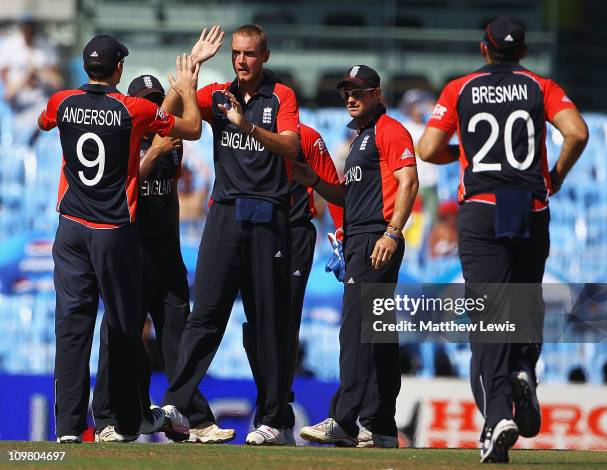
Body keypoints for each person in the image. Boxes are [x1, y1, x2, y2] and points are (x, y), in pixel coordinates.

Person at [418, 16, 588, 463]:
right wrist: (555, 175)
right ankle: (523, 366)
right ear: (524, 53)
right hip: (531, 206)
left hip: (482, 208)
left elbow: (428, 148)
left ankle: (497, 416)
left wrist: (465, 152)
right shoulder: (541, 86)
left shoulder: (459, 88)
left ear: (483, 49)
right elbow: (577, 133)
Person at [37, 34, 203, 443]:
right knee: (124, 326)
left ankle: (69, 429)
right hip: (112, 231)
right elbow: (194, 128)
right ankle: (125, 420)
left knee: (71, 330)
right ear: (119, 69)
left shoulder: (62, 101)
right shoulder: (131, 109)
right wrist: (185, 88)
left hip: (71, 226)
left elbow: (45, 121)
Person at [161, 25, 301, 445]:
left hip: (268, 215)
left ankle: (274, 420)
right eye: (237, 54)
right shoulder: (218, 93)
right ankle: (176, 404)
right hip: (224, 212)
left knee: (266, 323)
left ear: (266, 55)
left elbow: (291, 147)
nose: (242, 61)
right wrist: (192, 71)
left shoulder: (282, 96)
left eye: (251, 54)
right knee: (205, 313)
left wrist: (247, 126)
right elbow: (166, 118)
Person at [91, 74, 233, 444]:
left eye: (158, 100)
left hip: (166, 254)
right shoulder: (121, 139)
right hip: (130, 254)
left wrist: (187, 82)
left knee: (178, 338)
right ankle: (107, 418)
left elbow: (191, 124)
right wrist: (151, 154)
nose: (154, 108)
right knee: (119, 337)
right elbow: (117, 190)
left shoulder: (174, 141)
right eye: (147, 101)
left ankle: (196, 418)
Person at [297, 65, 419, 448]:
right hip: (361, 239)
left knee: (356, 331)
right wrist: (315, 181)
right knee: (378, 333)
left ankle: (345, 420)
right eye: (346, 91)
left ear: (377, 94)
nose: (350, 97)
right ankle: (381, 424)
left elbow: (409, 181)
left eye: (359, 92)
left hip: (376, 238)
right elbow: (350, 200)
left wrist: (392, 232)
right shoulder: (361, 138)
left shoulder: (389, 130)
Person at [248, 122, 343, 443]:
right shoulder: (245, 132)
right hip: (255, 230)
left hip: (295, 231)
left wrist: (342, 235)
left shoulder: (307, 137)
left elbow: (332, 185)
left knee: (284, 321)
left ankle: (276, 414)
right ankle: (270, 404)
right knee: (256, 322)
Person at [0, 16, 63, 143]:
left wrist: (38, 71)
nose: (28, 31)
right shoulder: (10, 46)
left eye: (31, 28)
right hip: (17, 109)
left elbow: (58, 82)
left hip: (40, 104)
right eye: (25, 28)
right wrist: (26, 76)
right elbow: (7, 94)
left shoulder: (45, 47)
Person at [399, 89, 439, 221]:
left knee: (432, 220)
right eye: (416, 105)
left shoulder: (429, 127)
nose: (419, 108)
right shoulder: (404, 128)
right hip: (414, 181)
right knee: (413, 222)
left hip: (430, 182)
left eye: (421, 104)